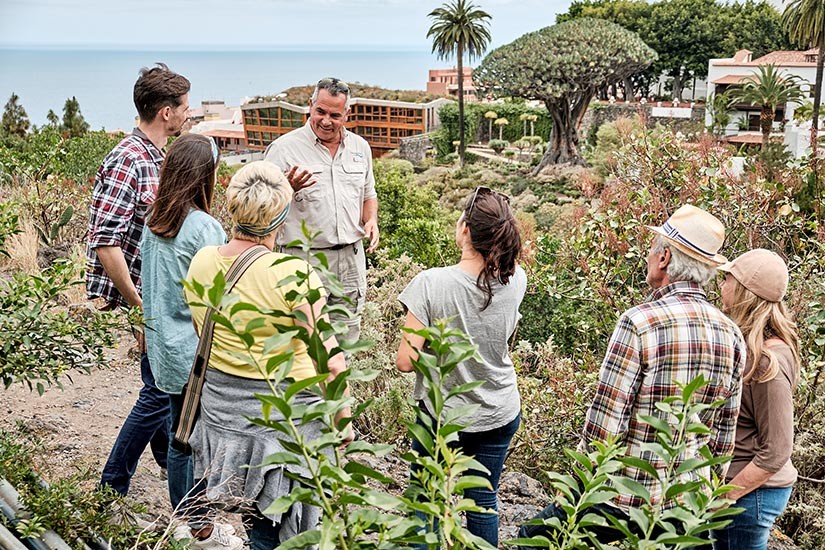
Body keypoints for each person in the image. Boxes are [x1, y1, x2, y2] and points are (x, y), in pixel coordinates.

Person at [519, 204, 746, 544]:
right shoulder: (731, 334)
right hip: (685, 504)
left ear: (665, 258)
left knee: (532, 537)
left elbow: (606, 421)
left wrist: (579, 489)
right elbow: (724, 434)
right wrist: (704, 501)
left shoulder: (639, 322)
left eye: (654, 248)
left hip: (626, 499)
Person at [184, 161, 351, 549]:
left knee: (253, 513)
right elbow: (331, 360)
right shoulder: (292, 273)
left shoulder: (204, 261)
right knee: (278, 530)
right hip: (282, 420)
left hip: (223, 415)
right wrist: (342, 424)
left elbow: (202, 332)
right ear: (281, 216)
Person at [396, 186, 526, 547]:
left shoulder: (431, 283)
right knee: (484, 500)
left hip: (443, 415)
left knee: (426, 498)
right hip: (499, 409)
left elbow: (405, 361)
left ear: (466, 229)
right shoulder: (517, 278)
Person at [86, 63, 190, 497]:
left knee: (161, 385)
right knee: (158, 390)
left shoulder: (158, 157)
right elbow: (105, 242)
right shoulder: (129, 159)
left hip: (159, 296)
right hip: (147, 300)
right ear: (166, 112)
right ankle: (112, 486)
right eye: (184, 107)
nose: (189, 113)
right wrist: (142, 307)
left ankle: (168, 462)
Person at [140, 134, 242, 549]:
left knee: (178, 431)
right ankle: (195, 523)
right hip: (194, 351)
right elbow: (218, 294)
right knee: (194, 440)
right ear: (205, 175)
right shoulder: (204, 227)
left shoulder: (154, 221)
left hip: (162, 345)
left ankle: (185, 516)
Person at [264, 77, 379, 345]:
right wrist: (287, 187)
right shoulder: (283, 149)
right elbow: (262, 207)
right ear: (310, 106)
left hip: (351, 261)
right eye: (321, 112)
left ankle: (339, 388)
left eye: (335, 115)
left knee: (346, 343)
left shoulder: (360, 148)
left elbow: (368, 194)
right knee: (302, 344)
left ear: (346, 114)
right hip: (301, 260)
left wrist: (371, 220)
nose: (326, 120)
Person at [712, 249, 801, 550]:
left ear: (744, 292)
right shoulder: (752, 349)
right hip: (746, 490)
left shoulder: (768, 362)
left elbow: (777, 448)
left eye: (727, 278)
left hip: (752, 493)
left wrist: (727, 494)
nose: (721, 285)